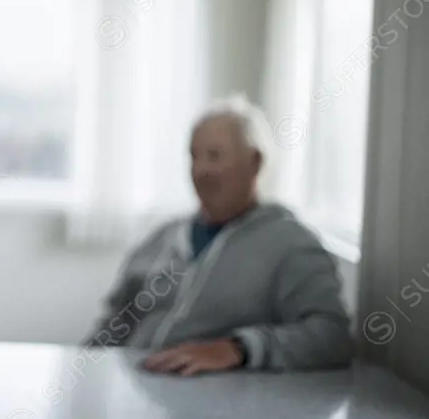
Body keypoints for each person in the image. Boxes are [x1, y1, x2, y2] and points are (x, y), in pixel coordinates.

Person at [81, 94, 353, 375]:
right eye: (193, 156)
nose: (200, 170)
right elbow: (111, 326)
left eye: (214, 156)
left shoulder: (291, 245)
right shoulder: (163, 238)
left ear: (254, 163)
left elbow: (332, 337)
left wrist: (239, 348)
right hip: (132, 392)